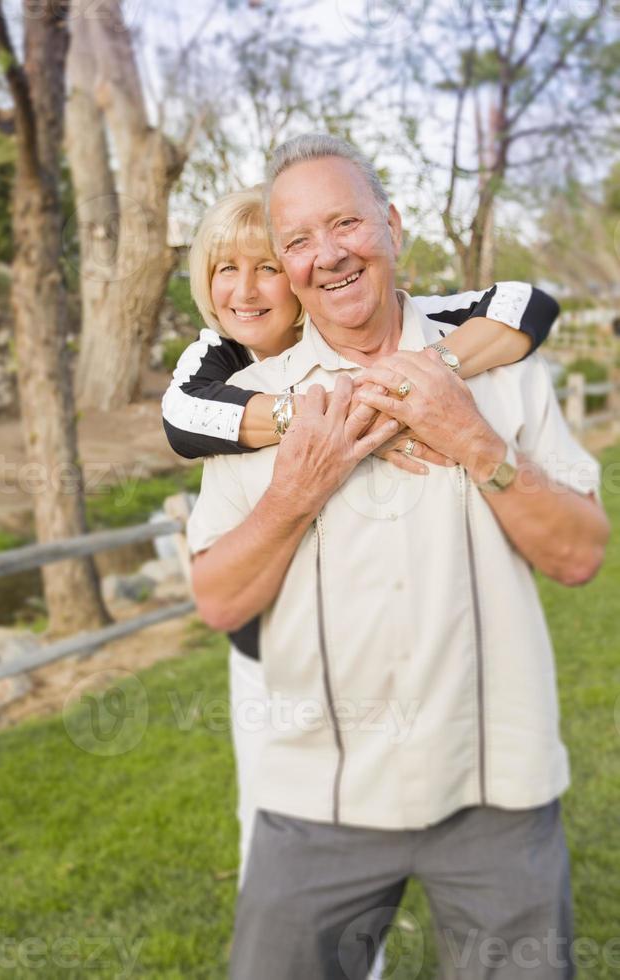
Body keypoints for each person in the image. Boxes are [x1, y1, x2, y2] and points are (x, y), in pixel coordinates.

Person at [185, 134, 610, 980]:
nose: (327, 254)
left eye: (346, 223)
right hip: (318, 795)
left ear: (392, 224)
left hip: (499, 783)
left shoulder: (505, 371)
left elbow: (579, 556)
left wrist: (471, 436)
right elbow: (220, 603)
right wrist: (297, 489)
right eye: (299, 240)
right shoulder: (256, 406)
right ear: (288, 262)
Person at [162, 186, 560, 888]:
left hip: (388, 636)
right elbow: (182, 418)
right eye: (225, 269)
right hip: (271, 652)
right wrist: (334, 415)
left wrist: (426, 373)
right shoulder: (214, 359)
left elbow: (528, 302)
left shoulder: (387, 328)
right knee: (285, 833)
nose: (244, 291)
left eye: (264, 267)